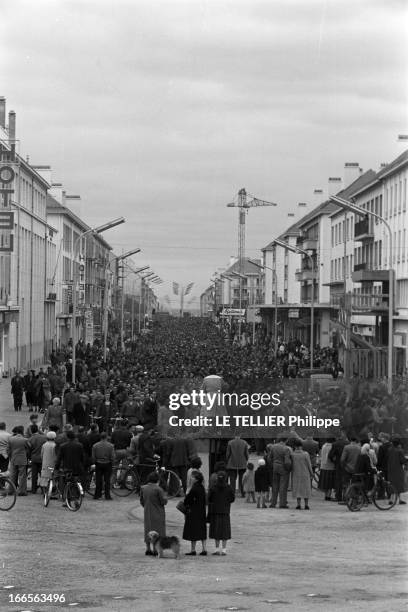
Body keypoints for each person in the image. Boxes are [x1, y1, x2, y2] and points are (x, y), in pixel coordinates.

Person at [207, 471, 235, 555]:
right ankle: (224, 549)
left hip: (215, 511)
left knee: (216, 530)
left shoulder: (213, 487)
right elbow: (232, 499)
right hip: (225, 511)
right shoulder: (229, 487)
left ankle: (216, 549)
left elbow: (209, 498)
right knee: (224, 531)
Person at [140, 471, 167, 556]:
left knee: (148, 530)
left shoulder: (143, 488)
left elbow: (141, 501)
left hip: (147, 512)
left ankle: (148, 549)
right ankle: (156, 549)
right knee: (158, 531)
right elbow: (163, 501)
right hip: (158, 512)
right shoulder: (158, 489)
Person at [183, 470, 207, 555]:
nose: (191, 478)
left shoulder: (194, 488)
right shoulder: (202, 487)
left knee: (193, 530)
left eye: (192, 477)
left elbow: (187, 500)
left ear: (196, 479)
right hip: (202, 511)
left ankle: (193, 550)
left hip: (193, 511)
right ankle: (204, 549)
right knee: (202, 530)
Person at [267, 436, 292, 509]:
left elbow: (269, 458)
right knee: (283, 487)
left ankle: (273, 503)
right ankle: (282, 503)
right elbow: (287, 461)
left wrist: (272, 465)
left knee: (275, 486)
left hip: (275, 467)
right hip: (283, 468)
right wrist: (288, 468)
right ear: (286, 440)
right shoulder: (286, 449)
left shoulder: (273, 447)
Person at [7, 425, 31, 495]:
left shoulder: (11, 439)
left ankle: (11, 490)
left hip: (13, 459)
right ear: (22, 432)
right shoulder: (25, 440)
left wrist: (10, 457)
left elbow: (8, 450)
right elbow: (29, 447)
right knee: (22, 476)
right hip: (22, 459)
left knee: (13, 475)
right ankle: (21, 491)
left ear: (16, 432)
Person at [91, 432, 115, 500]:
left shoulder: (95, 445)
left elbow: (93, 457)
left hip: (98, 463)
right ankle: (107, 496)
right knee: (107, 480)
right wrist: (112, 464)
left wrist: (94, 462)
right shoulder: (111, 446)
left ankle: (97, 495)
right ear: (106, 437)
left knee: (98, 480)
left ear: (100, 437)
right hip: (107, 464)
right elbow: (112, 456)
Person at [291, 438, 313, 510]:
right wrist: (311, 473)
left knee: (298, 489)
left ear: (295, 446)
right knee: (306, 489)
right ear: (301, 446)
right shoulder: (305, 454)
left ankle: (298, 505)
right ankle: (306, 505)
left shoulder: (293, 454)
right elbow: (309, 464)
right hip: (305, 473)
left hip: (296, 474)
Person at [387, 437, 408, 505]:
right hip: (398, 470)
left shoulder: (389, 450)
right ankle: (400, 499)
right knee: (398, 484)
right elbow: (403, 461)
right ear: (398, 444)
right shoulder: (400, 451)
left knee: (392, 484)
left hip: (390, 469)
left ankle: (391, 499)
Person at [27, 424, 47, 493]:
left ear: (31, 431)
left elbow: (29, 450)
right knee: (42, 474)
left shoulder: (30, 439)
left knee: (34, 475)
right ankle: (43, 489)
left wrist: (29, 458)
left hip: (34, 458)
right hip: (42, 458)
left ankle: (33, 489)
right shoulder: (43, 437)